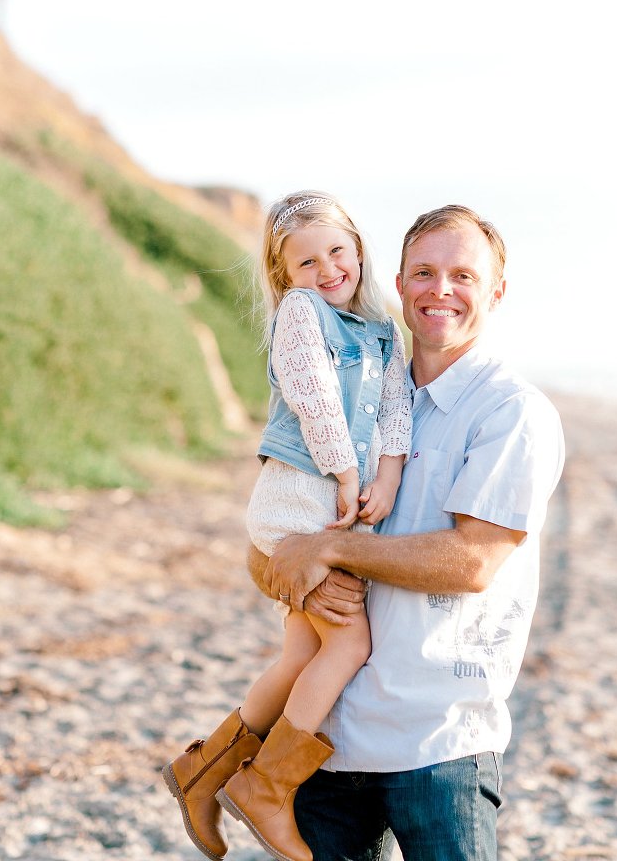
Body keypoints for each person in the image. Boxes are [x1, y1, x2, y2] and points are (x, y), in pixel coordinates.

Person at [251, 204, 566, 861]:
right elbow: (276, 552)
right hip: (330, 741)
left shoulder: (511, 413)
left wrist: (331, 548)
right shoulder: (357, 405)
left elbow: (473, 562)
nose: (440, 290)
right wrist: (288, 571)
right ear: (396, 283)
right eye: (423, 272)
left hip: (440, 744)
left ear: (497, 293)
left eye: (462, 275)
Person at [162, 191, 412, 861]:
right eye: (306, 262)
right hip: (301, 500)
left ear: (358, 247)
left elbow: (394, 407)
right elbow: (317, 400)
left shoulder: (382, 327)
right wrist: (351, 477)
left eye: (337, 251)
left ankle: (203, 772)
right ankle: (268, 788)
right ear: (285, 277)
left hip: (328, 503)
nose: (327, 268)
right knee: (348, 644)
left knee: (303, 654)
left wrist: (387, 472)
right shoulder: (302, 315)